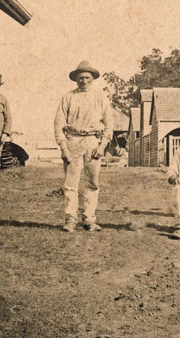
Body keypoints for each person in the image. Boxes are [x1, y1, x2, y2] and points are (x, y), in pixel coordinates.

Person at [53, 60, 113, 233]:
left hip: (93, 141)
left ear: (92, 78)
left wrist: (102, 145)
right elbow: (58, 124)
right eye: (81, 78)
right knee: (71, 183)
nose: (84, 81)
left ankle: (89, 218)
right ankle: (70, 219)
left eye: (87, 77)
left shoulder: (100, 97)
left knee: (92, 182)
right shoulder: (68, 97)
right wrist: (64, 147)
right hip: (73, 141)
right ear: (76, 79)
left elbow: (109, 124)